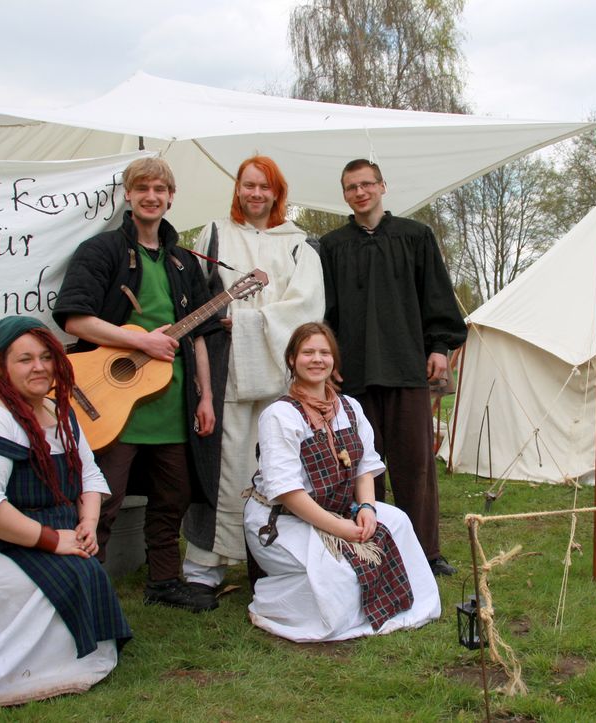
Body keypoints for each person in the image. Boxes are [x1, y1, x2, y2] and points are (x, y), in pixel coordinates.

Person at [0, 316, 132, 719]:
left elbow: (89, 474)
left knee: (84, 572)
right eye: (25, 359)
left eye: (47, 356)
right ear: (0, 368)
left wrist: (86, 522)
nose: (40, 367)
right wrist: (54, 540)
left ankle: (53, 659)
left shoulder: (59, 411)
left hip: (39, 535)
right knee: (71, 574)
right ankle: (12, 669)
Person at [54, 157, 220, 612]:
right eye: (142, 187)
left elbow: (200, 337)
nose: (151, 196)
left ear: (171, 196)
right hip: (111, 403)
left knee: (173, 499)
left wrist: (205, 397)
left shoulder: (184, 262)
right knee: (102, 500)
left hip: (172, 403)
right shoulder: (101, 251)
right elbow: (76, 318)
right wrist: (138, 340)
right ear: (128, 194)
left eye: (160, 188)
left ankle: (164, 582)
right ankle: (86, 583)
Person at [244, 322, 440, 641]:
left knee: (399, 522)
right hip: (282, 521)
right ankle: (285, 603)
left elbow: (364, 466)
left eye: (324, 352)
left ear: (334, 360)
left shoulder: (349, 408)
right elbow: (288, 492)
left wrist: (366, 508)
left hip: (339, 507)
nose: (317, 359)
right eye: (308, 352)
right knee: (337, 574)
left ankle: (405, 605)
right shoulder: (279, 416)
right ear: (292, 360)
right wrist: (339, 530)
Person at [182, 155, 324, 596]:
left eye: (265, 186)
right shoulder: (215, 233)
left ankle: (275, 560)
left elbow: (308, 306)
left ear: (277, 193)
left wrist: (248, 322)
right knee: (220, 462)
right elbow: (195, 298)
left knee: (277, 464)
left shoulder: (299, 243)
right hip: (223, 368)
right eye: (248, 185)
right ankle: (205, 566)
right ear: (238, 189)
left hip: (279, 370)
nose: (256, 194)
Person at [320, 159, 467, 576]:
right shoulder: (331, 247)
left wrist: (439, 346)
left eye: (367, 184)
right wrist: (328, 362)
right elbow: (325, 312)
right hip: (354, 378)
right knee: (363, 468)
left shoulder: (415, 237)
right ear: (344, 194)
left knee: (415, 466)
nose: (360, 192)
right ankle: (372, 548)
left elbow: (436, 297)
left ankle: (425, 552)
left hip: (407, 370)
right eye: (351, 186)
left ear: (383, 186)